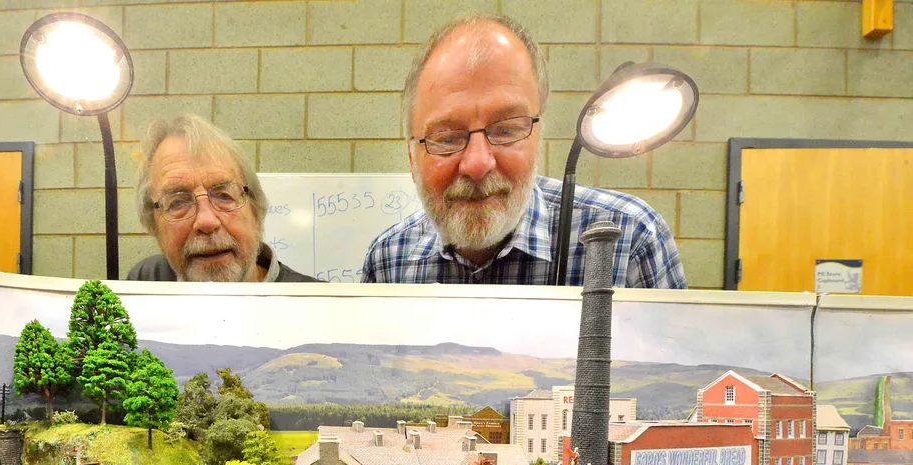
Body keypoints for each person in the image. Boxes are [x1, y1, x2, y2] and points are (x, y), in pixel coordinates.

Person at [363, 14, 687, 288]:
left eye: (506, 130)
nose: (477, 164)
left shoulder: (629, 240)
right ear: (411, 158)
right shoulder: (389, 260)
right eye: (447, 138)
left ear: (538, 138)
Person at [130, 115, 319, 282]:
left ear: (255, 212)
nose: (206, 221)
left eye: (224, 196)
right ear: (154, 227)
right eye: (178, 202)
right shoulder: (147, 280)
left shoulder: (321, 308)